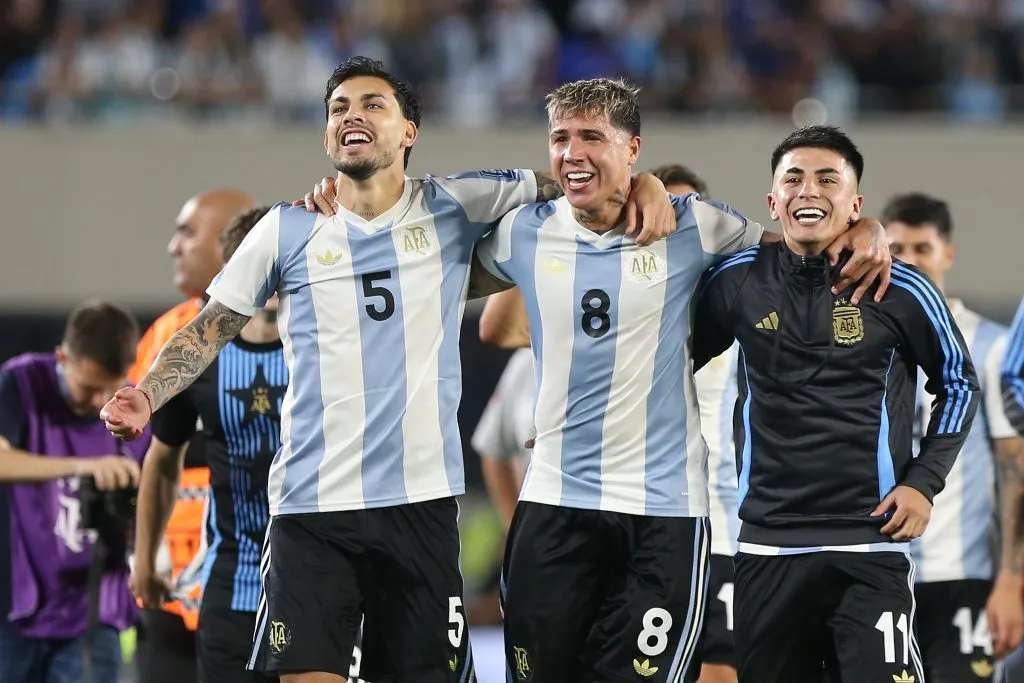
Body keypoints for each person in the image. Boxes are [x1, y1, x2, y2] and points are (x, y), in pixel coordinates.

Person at [100, 55, 676, 683]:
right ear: (326, 136)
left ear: (409, 132)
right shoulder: (286, 230)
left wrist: (639, 183)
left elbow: (572, 178)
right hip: (310, 509)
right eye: (339, 108)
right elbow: (209, 327)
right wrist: (146, 394)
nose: (353, 115)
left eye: (373, 105)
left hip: (420, 507)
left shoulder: (456, 204)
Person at [472, 81, 891, 683]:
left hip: (663, 515)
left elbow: (803, 252)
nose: (572, 152)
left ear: (632, 147)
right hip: (555, 506)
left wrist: (867, 227)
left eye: (593, 137)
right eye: (561, 139)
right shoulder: (526, 231)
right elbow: (461, 300)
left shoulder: (698, 227)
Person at [691, 125, 980, 683]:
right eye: (793, 179)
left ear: (855, 203)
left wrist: (923, 483)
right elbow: (664, 366)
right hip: (767, 546)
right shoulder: (736, 281)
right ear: (773, 201)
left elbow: (960, 385)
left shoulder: (906, 288)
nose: (809, 190)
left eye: (828, 179)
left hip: (870, 544)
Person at [130, 206, 284, 683]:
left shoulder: (332, 349)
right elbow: (162, 458)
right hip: (231, 584)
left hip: (320, 582)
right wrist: (146, 558)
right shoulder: (195, 357)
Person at [882, 192, 1024, 680]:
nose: (910, 261)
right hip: (880, 572)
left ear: (948, 254)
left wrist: (1012, 578)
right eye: (897, 249)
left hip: (961, 577)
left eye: (922, 248)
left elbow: (1015, 469)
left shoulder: (990, 345)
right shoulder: (868, 339)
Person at [0, 300, 148, 683]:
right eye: (89, 388)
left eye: (110, 388)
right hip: (19, 612)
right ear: (61, 357)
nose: (100, 402)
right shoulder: (22, 382)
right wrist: (85, 466)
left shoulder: (135, 409)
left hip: (96, 612)